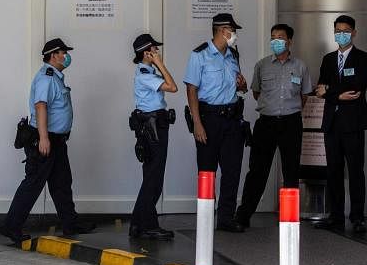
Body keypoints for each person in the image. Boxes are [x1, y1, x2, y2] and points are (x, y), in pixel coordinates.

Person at [1, 38, 94, 244]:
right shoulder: (47, 78)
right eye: (63, 52)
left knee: (62, 183)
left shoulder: (56, 77)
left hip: (57, 140)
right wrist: (43, 138)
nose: (66, 56)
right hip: (44, 139)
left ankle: (70, 223)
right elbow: (41, 106)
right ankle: (11, 226)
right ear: (53, 55)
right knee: (33, 183)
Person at [235, 24, 312, 228]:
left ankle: (290, 218)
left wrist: (287, 108)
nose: (275, 41)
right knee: (257, 171)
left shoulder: (301, 67)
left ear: (289, 41)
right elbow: (256, 93)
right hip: (266, 123)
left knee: (291, 171)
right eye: (273, 37)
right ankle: (243, 216)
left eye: (280, 37)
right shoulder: (262, 65)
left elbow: (304, 96)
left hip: (291, 123)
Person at [183, 13, 248, 233]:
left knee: (232, 170)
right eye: (233, 30)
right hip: (208, 119)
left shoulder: (233, 55)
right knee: (207, 171)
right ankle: (206, 217)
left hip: (232, 119)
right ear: (222, 30)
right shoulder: (199, 55)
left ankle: (226, 218)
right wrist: (197, 123)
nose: (234, 35)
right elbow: (191, 89)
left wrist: (243, 85)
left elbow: (239, 87)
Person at [315, 15, 367, 234]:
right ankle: (335, 216)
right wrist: (337, 94)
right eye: (338, 31)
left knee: (356, 171)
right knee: (333, 171)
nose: (341, 34)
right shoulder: (328, 59)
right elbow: (320, 89)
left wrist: (330, 92)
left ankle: (357, 217)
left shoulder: (363, 58)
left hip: (353, 123)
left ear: (354, 33)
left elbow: (357, 88)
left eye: (346, 31)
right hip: (331, 123)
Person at [129, 34, 178, 240]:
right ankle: (146, 225)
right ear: (146, 52)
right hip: (153, 128)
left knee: (153, 176)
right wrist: (160, 64)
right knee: (153, 177)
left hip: (156, 125)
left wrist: (156, 64)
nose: (157, 52)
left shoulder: (148, 72)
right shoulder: (144, 73)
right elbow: (173, 86)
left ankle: (139, 223)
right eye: (154, 50)